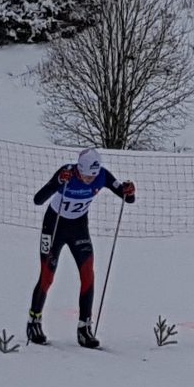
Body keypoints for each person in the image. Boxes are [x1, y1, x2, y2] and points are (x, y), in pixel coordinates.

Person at [26, 148, 135, 349]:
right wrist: (59, 181)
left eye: (92, 176)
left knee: (87, 274)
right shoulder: (67, 172)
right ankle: (34, 321)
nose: (88, 180)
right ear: (78, 169)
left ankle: (84, 328)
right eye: (85, 176)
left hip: (78, 227)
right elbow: (38, 199)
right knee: (47, 276)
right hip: (54, 225)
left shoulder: (102, 175)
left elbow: (127, 198)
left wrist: (129, 190)